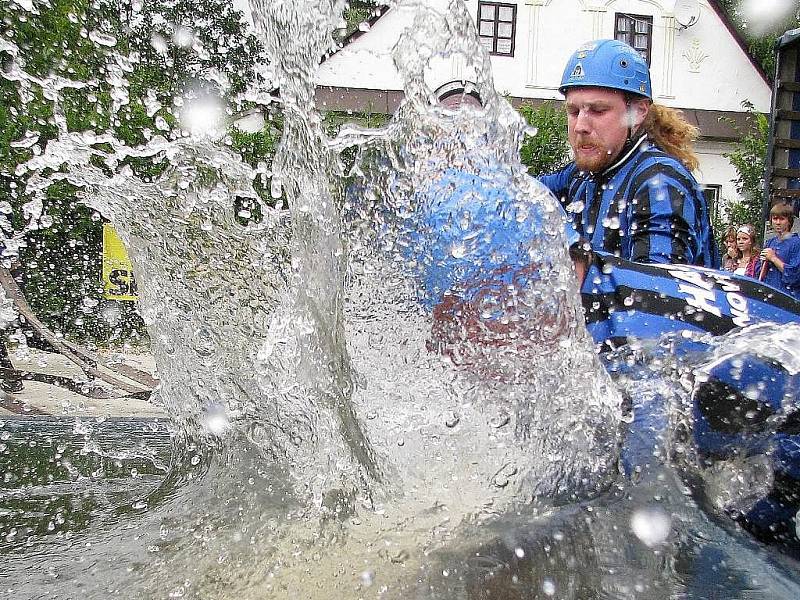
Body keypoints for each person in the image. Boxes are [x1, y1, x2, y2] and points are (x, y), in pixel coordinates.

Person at [539, 39, 718, 268]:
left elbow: (656, 291)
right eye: (573, 111)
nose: (580, 126)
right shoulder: (581, 175)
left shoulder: (659, 181)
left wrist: (579, 269)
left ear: (638, 112)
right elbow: (522, 194)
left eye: (598, 110)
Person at [758, 202, 800, 301]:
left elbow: (794, 276)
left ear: (789, 221)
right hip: (769, 294)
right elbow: (761, 274)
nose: (778, 222)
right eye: (775, 219)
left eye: (782, 219)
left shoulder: (796, 243)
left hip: (788, 297)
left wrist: (773, 258)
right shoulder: (770, 242)